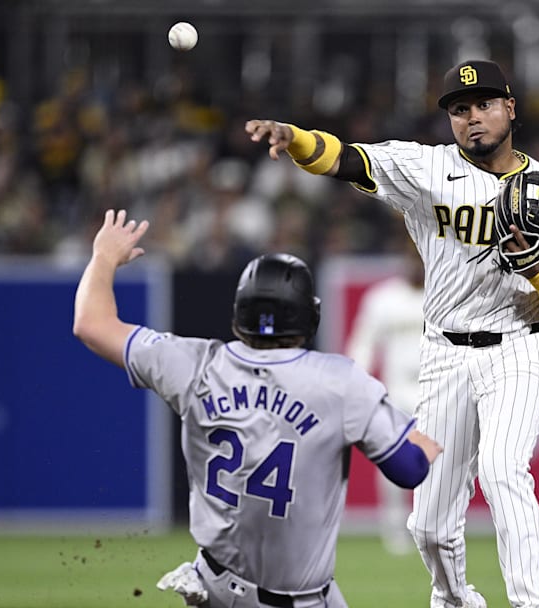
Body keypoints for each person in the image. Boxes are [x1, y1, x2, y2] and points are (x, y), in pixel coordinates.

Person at [245, 59, 539, 608]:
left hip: (520, 348)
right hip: (445, 356)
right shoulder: (426, 169)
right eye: (459, 109)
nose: (472, 118)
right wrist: (295, 138)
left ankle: (530, 603)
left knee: (503, 472)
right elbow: (345, 158)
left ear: (510, 108)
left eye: (483, 105)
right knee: (427, 524)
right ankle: (455, 599)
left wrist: (536, 271)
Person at [72, 209, 444, 608]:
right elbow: (409, 469)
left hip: (213, 587)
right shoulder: (340, 383)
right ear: (309, 316)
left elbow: (90, 324)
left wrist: (104, 257)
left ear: (238, 316)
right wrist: (429, 439)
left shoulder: (192, 364)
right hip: (298, 599)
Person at [344, 235, 425, 555]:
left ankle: (435, 526)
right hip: (396, 392)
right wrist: (359, 381)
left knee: (442, 465)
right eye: (411, 256)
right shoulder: (383, 298)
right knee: (395, 461)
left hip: (438, 391)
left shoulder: (445, 294)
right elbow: (363, 342)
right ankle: (394, 528)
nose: (416, 263)